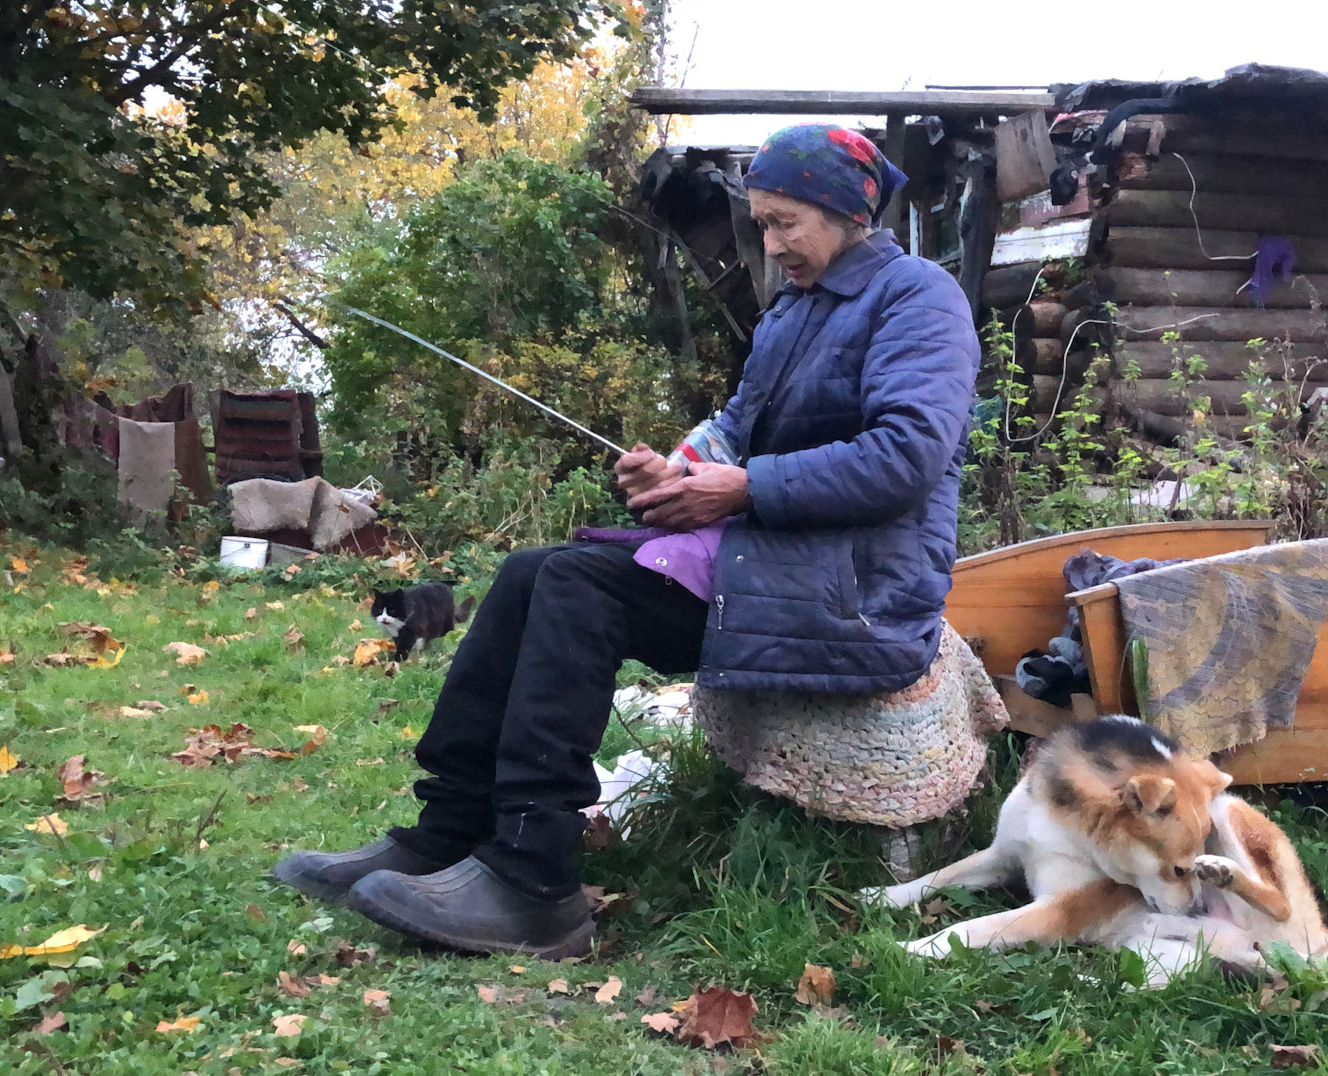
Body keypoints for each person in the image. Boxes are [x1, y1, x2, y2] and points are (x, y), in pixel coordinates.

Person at [271, 124, 983, 959]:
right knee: (534, 572)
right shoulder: (793, 310)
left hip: (858, 587)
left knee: (580, 584)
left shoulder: (917, 297)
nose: (771, 241)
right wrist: (677, 470)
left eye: (786, 220)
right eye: (762, 222)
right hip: (777, 560)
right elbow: (735, 431)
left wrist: (744, 488)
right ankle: (448, 829)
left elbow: (907, 455)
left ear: (844, 209)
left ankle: (534, 883)